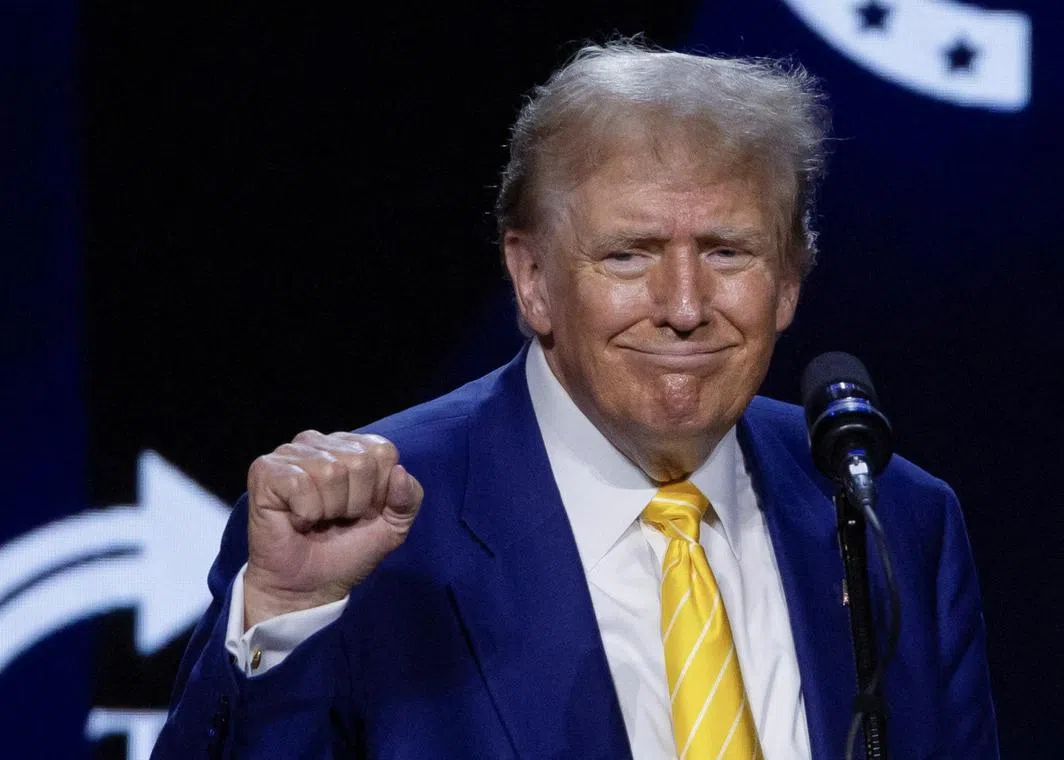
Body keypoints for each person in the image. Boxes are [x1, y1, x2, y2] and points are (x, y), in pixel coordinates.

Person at [154, 40, 998, 759]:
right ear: (532, 281)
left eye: (729, 251)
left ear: (788, 282)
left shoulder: (895, 517)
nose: (683, 305)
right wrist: (293, 615)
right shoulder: (360, 538)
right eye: (629, 255)